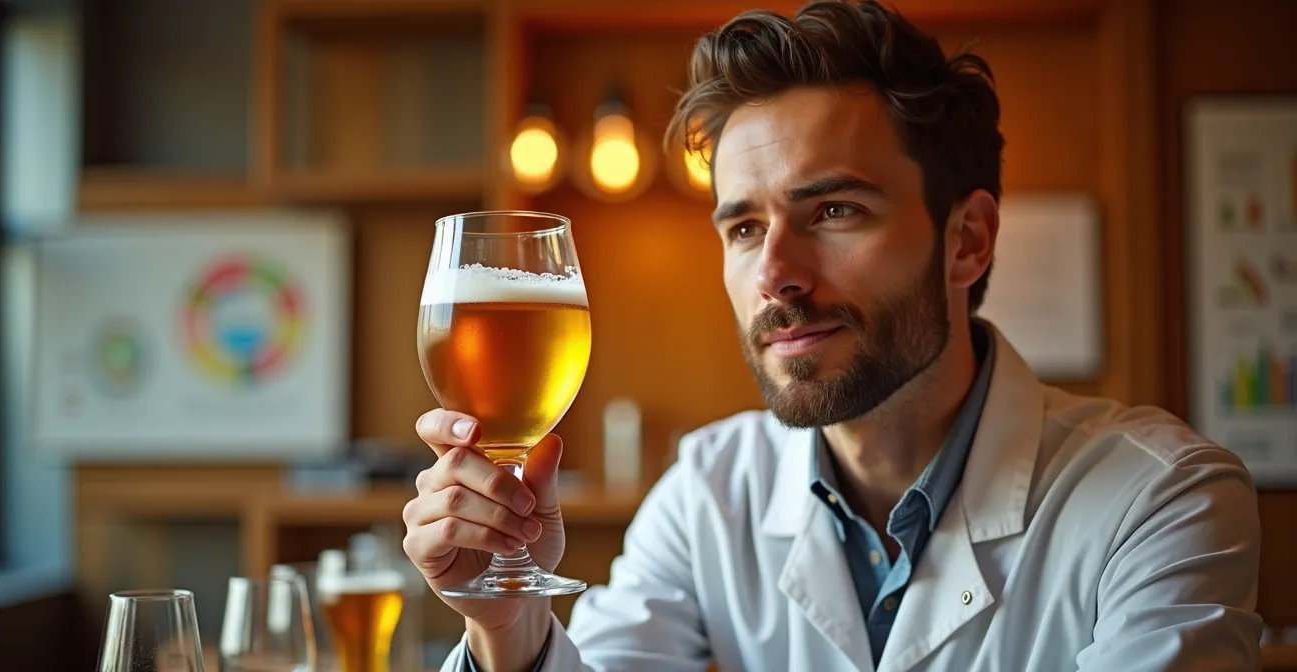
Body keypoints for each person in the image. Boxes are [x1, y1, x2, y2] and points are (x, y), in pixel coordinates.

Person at [402, 1, 1264, 670]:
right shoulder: (709, 492)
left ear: (968, 240)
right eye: (743, 229)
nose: (776, 271)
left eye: (834, 210)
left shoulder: (1162, 500)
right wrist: (507, 627)